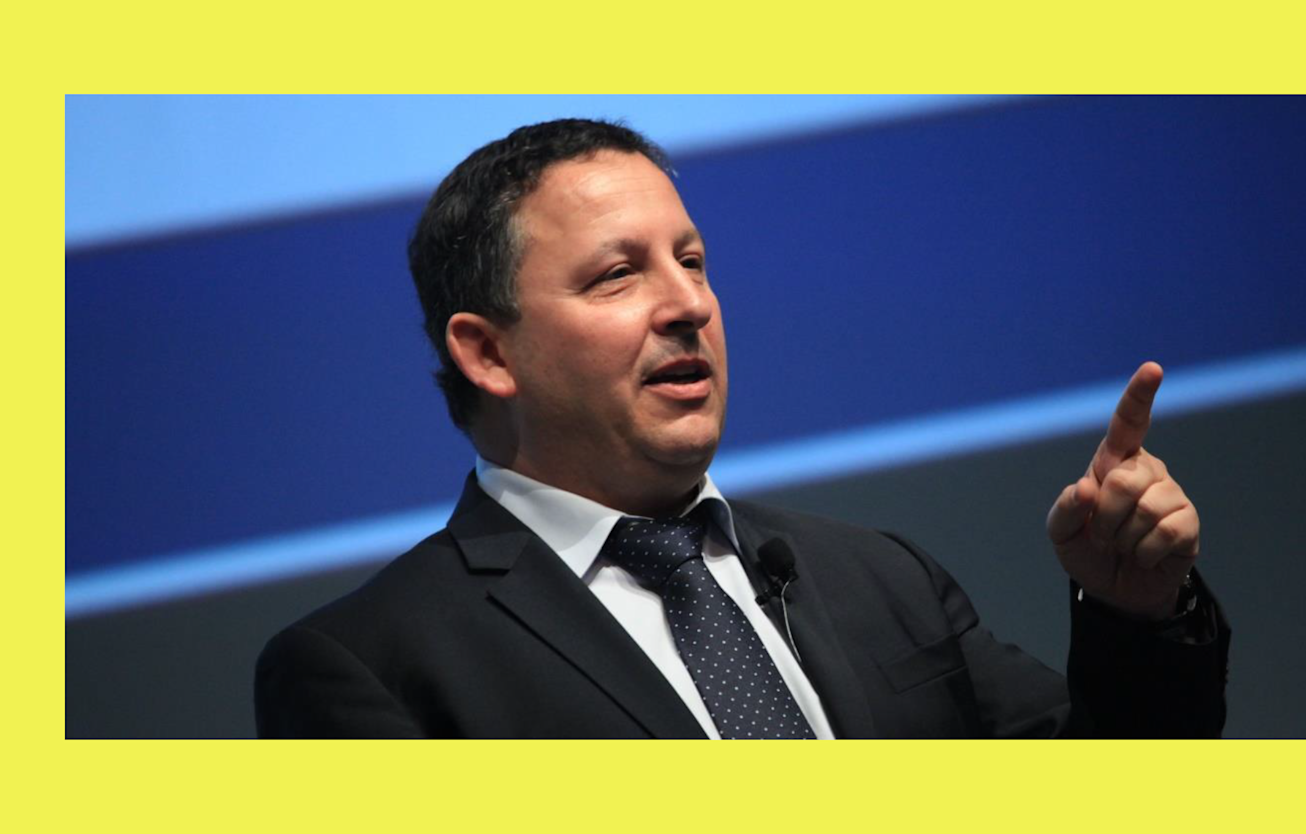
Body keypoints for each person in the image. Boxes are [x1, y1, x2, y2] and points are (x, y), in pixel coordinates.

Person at [255, 118, 1229, 738]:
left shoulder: (879, 577)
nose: (689, 304)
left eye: (692, 261)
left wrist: (1136, 615)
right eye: (618, 275)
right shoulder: (369, 667)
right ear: (488, 353)